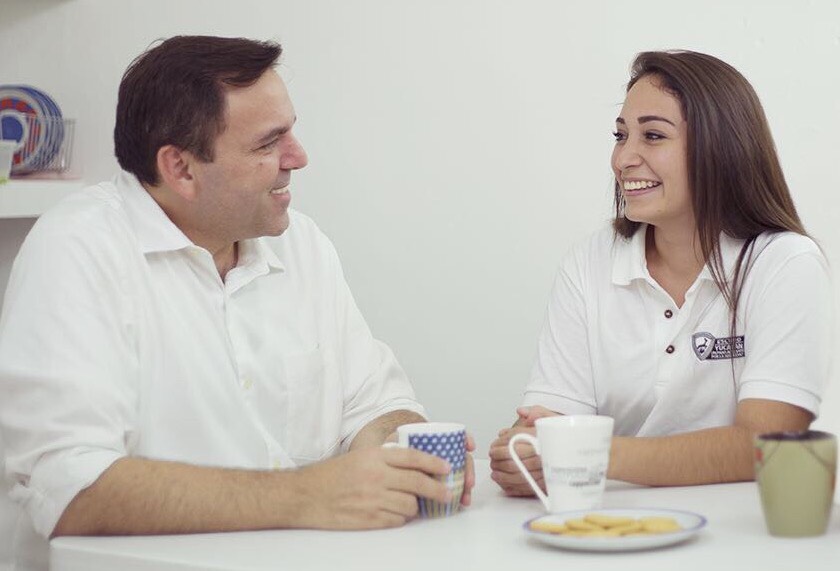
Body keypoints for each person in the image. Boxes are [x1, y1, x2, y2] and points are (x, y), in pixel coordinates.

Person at [0, 36, 473, 571]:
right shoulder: (78, 249)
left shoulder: (303, 244)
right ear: (180, 169)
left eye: (291, 130)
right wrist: (307, 495)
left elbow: (380, 406)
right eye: (269, 143)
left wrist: (395, 463)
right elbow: (69, 487)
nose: (298, 157)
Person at [489, 50, 832, 491]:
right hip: (612, 534)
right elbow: (544, 430)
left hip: (744, 538)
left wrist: (580, 451)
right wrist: (524, 457)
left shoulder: (784, 264)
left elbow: (763, 444)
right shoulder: (588, 263)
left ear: (720, 150)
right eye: (620, 136)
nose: (623, 159)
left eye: (652, 136)